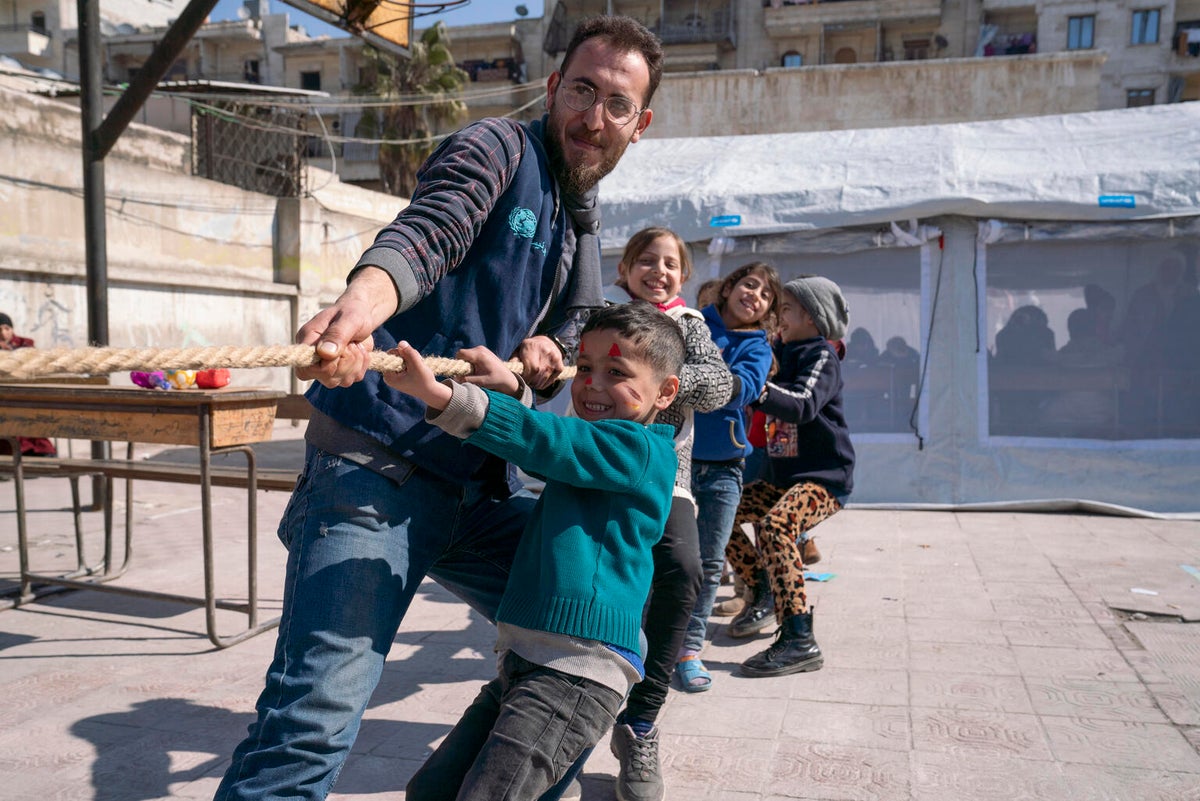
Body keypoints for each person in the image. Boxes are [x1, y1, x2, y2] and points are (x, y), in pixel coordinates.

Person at [213, 16, 664, 801]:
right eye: (583, 91)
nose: (595, 117)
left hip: (477, 493)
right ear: (553, 88)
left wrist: (534, 371)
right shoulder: (497, 148)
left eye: (616, 104)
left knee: (591, 633)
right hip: (375, 472)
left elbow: (566, 342)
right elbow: (428, 234)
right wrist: (362, 302)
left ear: (639, 124)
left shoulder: (581, 221)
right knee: (311, 724)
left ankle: (571, 746)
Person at [387, 302, 684, 801]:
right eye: (584, 368)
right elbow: (555, 443)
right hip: (528, 659)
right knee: (432, 790)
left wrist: (441, 396)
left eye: (616, 372)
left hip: (577, 670)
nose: (591, 383)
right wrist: (514, 390)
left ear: (666, 391)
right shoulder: (594, 448)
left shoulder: (642, 451)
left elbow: (550, 442)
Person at [599, 227, 734, 801]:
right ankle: (553, 705)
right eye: (646, 261)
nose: (659, 271)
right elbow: (570, 368)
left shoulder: (691, 327)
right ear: (626, 269)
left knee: (684, 567)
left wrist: (650, 371)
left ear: (684, 275)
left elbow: (719, 386)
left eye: (671, 264)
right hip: (595, 466)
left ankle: (641, 722)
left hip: (666, 475)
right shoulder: (600, 318)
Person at [725, 276, 855, 677]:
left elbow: (803, 405)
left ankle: (799, 639)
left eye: (789, 310)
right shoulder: (777, 350)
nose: (780, 315)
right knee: (721, 513)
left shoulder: (821, 356)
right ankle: (763, 588)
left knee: (776, 526)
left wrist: (755, 389)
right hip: (784, 479)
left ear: (815, 319)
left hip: (824, 479)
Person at [674, 261, 781, 693]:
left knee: (709, 562)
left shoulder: (758, 346)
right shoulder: (694, 323)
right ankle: (644, 641)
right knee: (663, 555)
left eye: (765, 294)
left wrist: (695, 380)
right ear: (729, 287)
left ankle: (689, 651)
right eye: (747, 284)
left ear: (767, 310)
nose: (754, 295)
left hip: (724, 467)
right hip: (674, 457)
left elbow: (746, 387)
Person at [0, 312, 57, 457]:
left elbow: (30, 360)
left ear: (12, 329)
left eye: (6, 328)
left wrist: (10, 354)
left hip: (24, 394)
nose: (3, 333)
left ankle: (35, 452)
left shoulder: (25, 343)